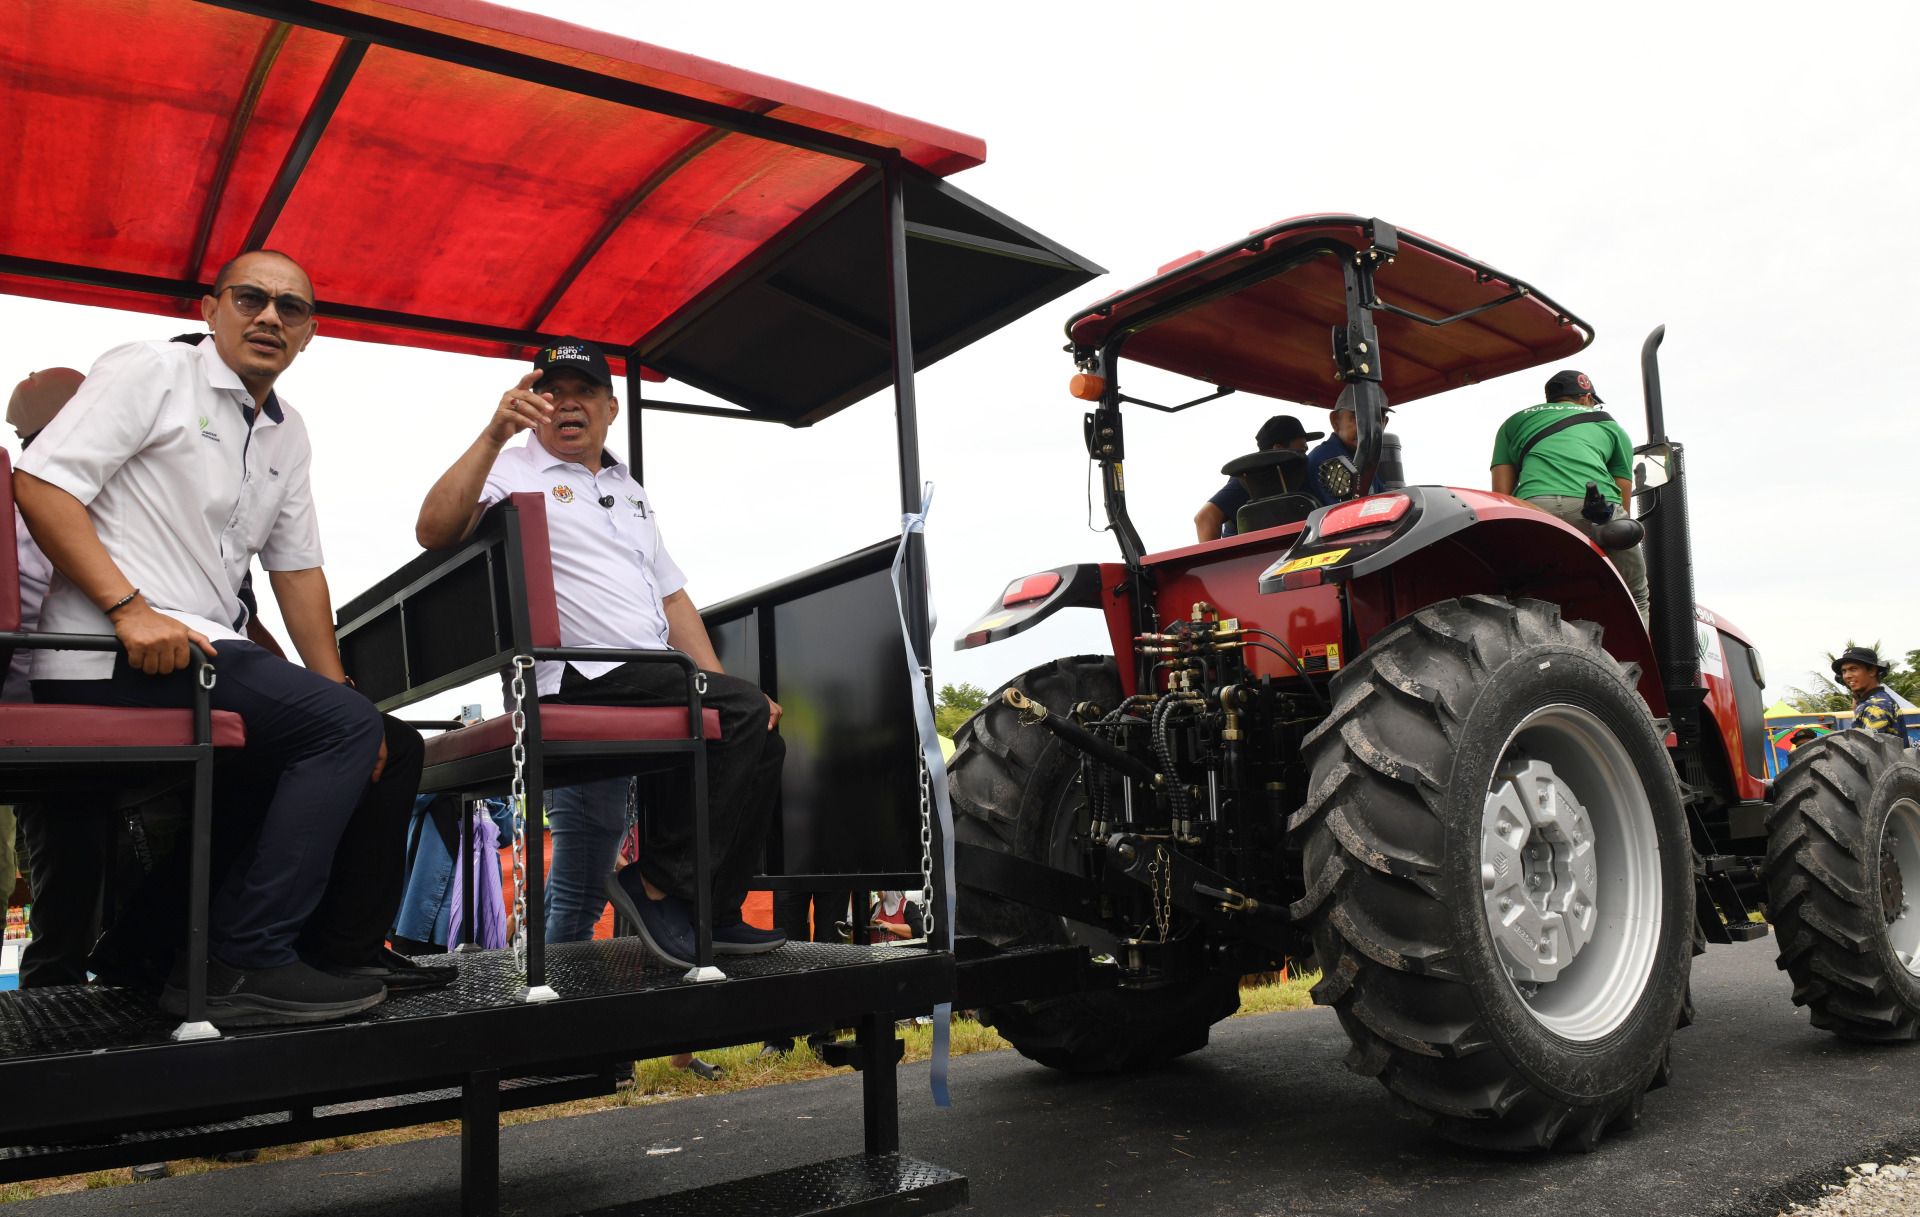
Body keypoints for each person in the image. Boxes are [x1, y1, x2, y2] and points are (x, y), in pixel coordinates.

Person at [13, 249, 420, 1025]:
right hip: (109, 652)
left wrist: (336, 686)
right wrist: (128, 607)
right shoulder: (149, 371)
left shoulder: (287, 430)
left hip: (201, 649)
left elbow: (296, 572)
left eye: (290, 308)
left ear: (309, 333)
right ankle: (248, 958)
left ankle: (196, 946)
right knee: (337, 732)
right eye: (251, 298)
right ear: (210, 308)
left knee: (384, 741)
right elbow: (41, 481)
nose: (270, 316)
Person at [415, 337, 787, 969]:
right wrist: (491, 435)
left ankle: (714, 909)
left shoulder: (629, 487)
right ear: (532, 403)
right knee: (742, 714)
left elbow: (673, 600)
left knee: (760, 731)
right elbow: (432, 531)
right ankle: (656, 884)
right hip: (579, 670)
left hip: (649, 671)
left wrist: (724, 690)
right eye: (551, 392)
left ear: (609, 409)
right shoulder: (512, 468)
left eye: (583, 392)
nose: (567, 404)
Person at [1489, 370, 1651, 628]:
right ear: (1587, 397)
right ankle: (1640, 664)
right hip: (1596, 511)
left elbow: (1501, 493)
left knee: (1522, 594)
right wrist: (1620, 532)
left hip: (1533, 509)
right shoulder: (1608, 423)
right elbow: (1622, 485)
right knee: (1635, 595)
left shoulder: (1514, 422)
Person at [1193, 414, 1322, 541]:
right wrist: (1219, 561)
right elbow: (1205, 518)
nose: (1304, 459)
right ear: (1278, 449)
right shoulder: (1249, 479)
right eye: (1301, 452)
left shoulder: (1293, 479)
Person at [1304, 387, 1388, 507]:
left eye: (1378, 418)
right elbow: (1350, 515)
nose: (1369, 428)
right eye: (1358, 417)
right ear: (1336, 421)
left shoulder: (1363, 461)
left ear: (1385, 423)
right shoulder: (1329, 459)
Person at [1833, 647, 1910, 743]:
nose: (1847, 676)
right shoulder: (1871, 701)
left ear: (1872, 671)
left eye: (1853, 669)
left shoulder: (1876, 706)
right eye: (1844, 671)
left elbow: (1867, 750)